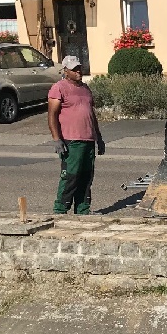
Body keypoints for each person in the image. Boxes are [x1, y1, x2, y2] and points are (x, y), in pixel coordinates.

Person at [48, 55, 105, 215]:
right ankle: (60, 209)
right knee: (71, 176)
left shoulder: (85, 89)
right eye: (74, 69)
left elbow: (91, 115)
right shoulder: (58, 88)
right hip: (71, 140)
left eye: (79, 68)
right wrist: (56, 139)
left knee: (86, 176)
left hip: (88, 139)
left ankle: (82, 209)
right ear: (66, 71)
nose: (79, 71)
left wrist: (99, 138)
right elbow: (52, 115)